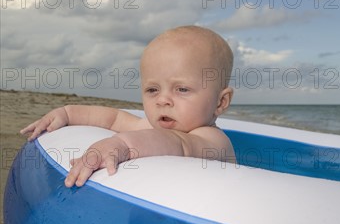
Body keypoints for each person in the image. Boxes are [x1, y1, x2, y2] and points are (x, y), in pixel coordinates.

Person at [21, 25, 235, 188]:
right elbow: (113, 119)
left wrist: (121, 145)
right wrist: (67, 113)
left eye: (182, 89)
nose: (163, 100)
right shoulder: (152, 128)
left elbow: (180, 144)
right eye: (152, 90)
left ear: (220, 102)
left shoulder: (212, 140)